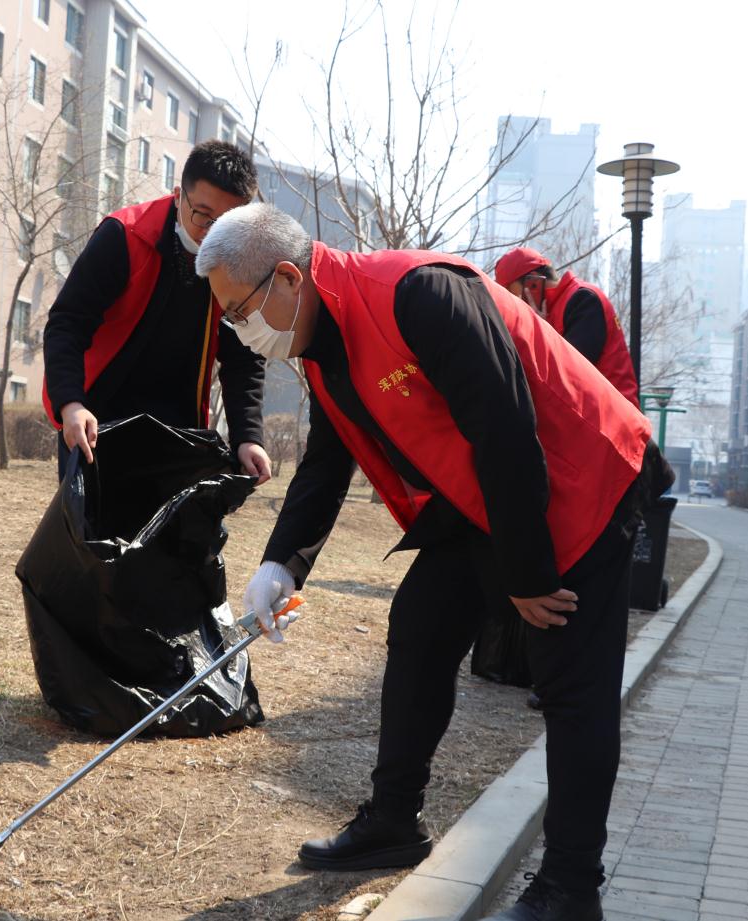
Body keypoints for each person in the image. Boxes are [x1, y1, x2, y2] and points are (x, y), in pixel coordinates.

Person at [197, 204, 662, 921]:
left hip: (581, 476)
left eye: (239, 311)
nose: (239, 330)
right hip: (486, 494)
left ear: (287, 277)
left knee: (572, 687)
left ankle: (570, 888)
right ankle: (392, 821)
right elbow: (326, 462)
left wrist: (528, 576)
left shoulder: (417, 292)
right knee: (419, 628)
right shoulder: (320, 340)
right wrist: (280, 564)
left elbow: (505, 426)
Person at [42, 140, 271, 481]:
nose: (211, 235)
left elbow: (244, 356)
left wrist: (248, 438)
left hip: (178, 432)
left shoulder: (238, 263)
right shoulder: (124, 236)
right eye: (203, 216)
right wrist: (71, 405)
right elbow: (67, 324)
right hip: (97, 421)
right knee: (89, 532)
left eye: (227, 225)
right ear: (179, 195)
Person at [494, 246, 639, 406]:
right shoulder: (552, 309)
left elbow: (567, 374)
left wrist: (537, 328)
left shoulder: (583, 299)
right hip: (594, 417)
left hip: (614, 419)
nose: (512, 300)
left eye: (510, 291)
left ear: (533, 282)